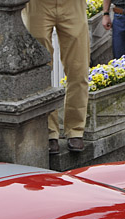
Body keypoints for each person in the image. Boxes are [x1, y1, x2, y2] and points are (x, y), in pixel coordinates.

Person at [28, 0, 91, 154]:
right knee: (39, 71)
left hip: (73, 5)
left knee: (79, 69)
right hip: (37, 5)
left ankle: (75, 130)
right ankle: (48, 131)